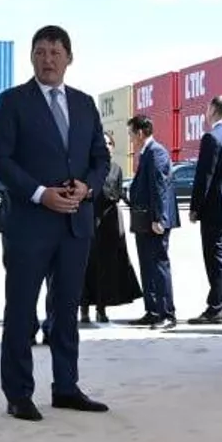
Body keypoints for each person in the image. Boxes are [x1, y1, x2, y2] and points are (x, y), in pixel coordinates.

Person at [0, 25, 112, 422]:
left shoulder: (84, 104)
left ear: (69, 58)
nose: (48, 59)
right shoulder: (13, 102)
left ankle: (66, 387)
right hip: (29, 224)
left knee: (66, 308)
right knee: (21, 310)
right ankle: (18, 393)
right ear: (31, 57)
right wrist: (41, 193)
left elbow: (100, 158)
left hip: (75, 224)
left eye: (55, 52)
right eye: (40, 52)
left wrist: (87, 187)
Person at [79, 132, 142, 325]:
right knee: (86, 265)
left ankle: (102, 308)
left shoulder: (116, 168)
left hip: (110, 222)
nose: (106, 146)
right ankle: (84, 308)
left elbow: (118, 192)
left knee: (107, 266)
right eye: (103, 143)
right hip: (90, 219)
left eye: (109, 143)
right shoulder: (86, 167)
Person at [188, 95, 222, 324]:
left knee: (215, 257)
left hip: (214, 208)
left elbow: (204, 176)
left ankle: (215, 308)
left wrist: (195, 207)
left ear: (212, 110)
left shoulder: (211, 137)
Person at [127, 115, 180, 327]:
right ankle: (152, 310)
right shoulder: (146, 152)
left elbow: (160, 187)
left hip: (154, 221)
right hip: (144, 220)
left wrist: (159, 218)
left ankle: (166, 314)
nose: (131, 139)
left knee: (158, 265)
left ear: (140, 133)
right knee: (147, 265)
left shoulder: (156, 152)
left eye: (131, 134)